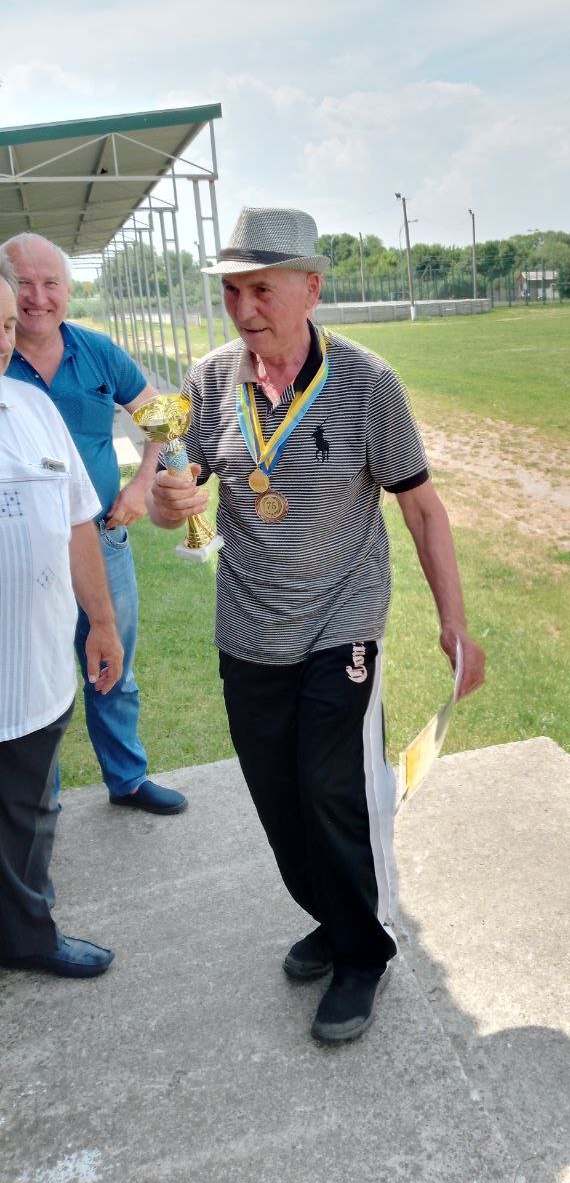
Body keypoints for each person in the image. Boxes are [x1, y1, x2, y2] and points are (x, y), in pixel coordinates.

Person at [146, 206, 485, 1042]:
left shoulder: (368, 383)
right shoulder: (209, 381)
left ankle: (363, 954)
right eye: (232, 291)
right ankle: (333, 920)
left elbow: (422, 509)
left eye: (261, 289)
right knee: (279, 801)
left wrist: (454, 623)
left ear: (311, 288)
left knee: (334, 792)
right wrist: (167, 500)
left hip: (343, 622)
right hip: (247, 628)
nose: (244, 308)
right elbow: (173, 495)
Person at [0, 233, 187, 815]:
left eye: (51, 283)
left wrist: (141, 483)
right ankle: (39, 804)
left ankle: (127, 779)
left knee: (114, 665)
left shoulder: (98, 351)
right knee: (35, 679)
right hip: (25, 552)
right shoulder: (3, 360)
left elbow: (164, 420)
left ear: (68, 289)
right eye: (23, 283)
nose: (37, 297)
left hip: (102, 540)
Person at [0, 260, 123, 978]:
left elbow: (79, 519)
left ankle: (27, 937)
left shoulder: (34, 408)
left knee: (30, 812)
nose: (3, 341)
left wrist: (102, 622)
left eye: (5, 325)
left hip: (35, 672)